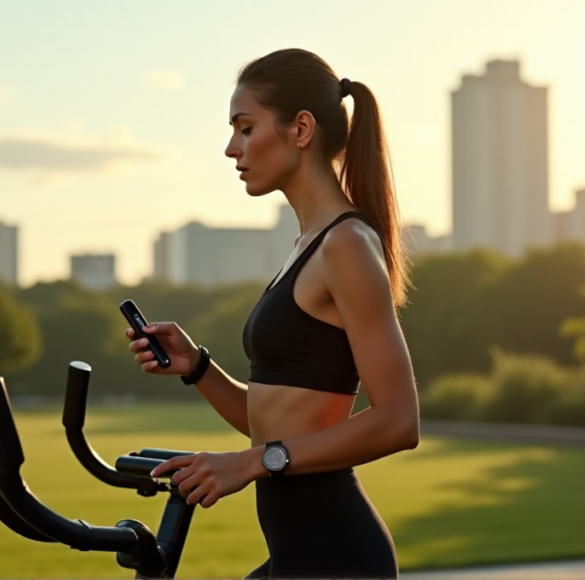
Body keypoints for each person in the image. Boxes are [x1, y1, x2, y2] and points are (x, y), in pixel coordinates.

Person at [125, 48, 419, 579]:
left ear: (300, 128)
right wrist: (197, 368)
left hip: (338, 558)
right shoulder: (308, 246)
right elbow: (277, 424)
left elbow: (399, 421)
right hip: (297, 556)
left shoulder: (346, 245)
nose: (230, 148)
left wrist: (250, 463)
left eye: (245, 128)